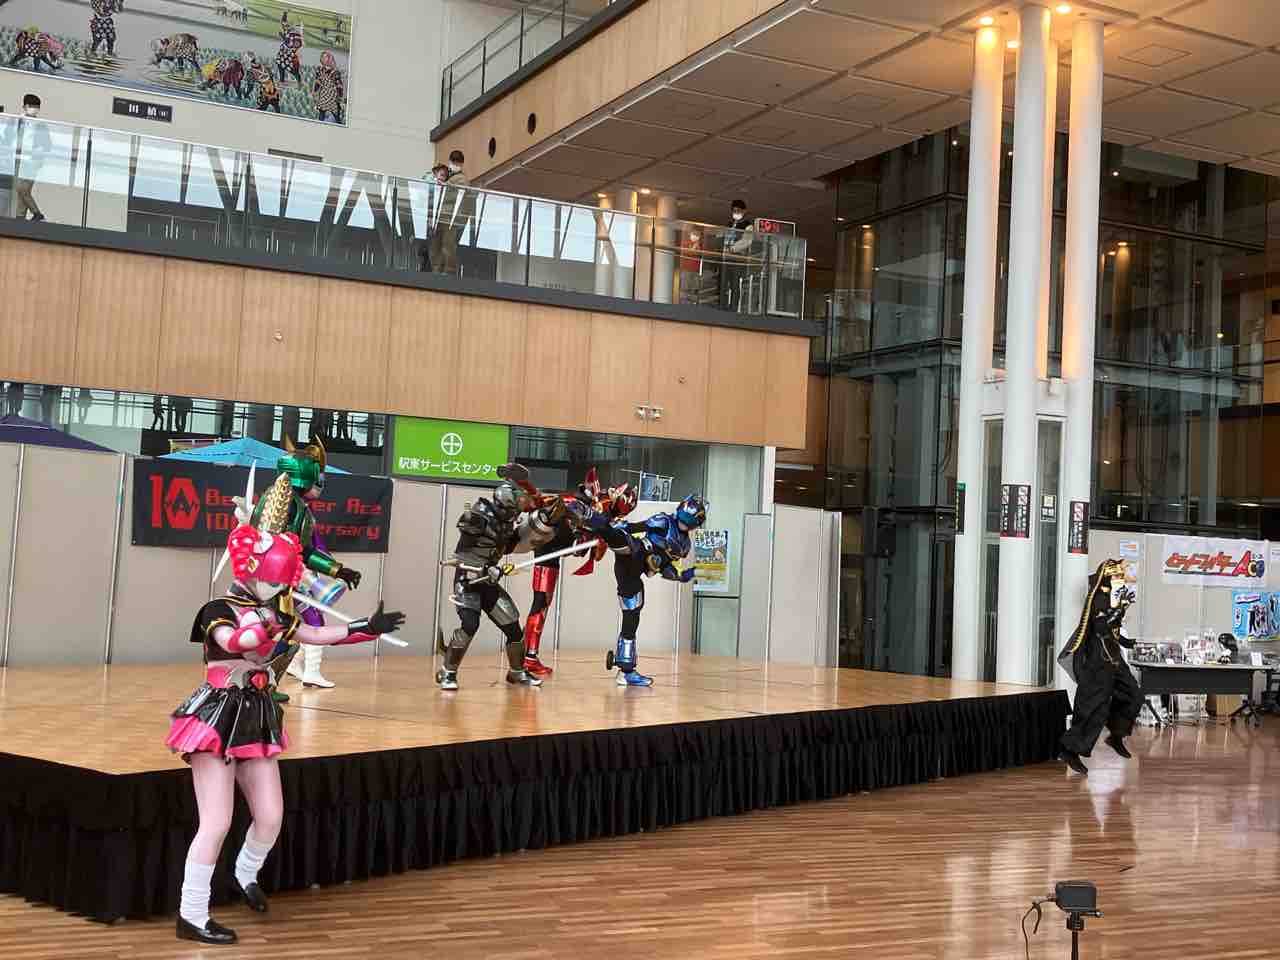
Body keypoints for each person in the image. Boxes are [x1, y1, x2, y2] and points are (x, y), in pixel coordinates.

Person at [166, 501, 405, 945]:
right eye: (274, 580)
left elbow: (317, 634)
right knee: (215, 823)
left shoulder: (273, 610)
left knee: (271, 815)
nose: (278, 587)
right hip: (217, 717)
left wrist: (366, 627)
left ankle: (245, 874)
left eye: (282, 581)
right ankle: (192, 915)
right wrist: (269, 624)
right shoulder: (218, 608)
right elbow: (234, 642)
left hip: (256, 715)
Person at [246, 436, 362, 692]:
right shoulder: (281, 500)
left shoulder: (295, 504)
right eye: (317, 476)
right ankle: (259, 688)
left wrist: (337, 570)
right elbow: (273, 543)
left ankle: (267, 687)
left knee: (288, 634)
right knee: (276, 634)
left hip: (282, 581)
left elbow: (303, 549)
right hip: (270, 583)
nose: (320, 483)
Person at [436, 466, 562, 690]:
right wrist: (484, 568)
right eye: (516, 506)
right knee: (469, 625)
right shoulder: (477, 517)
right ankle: (448, 672)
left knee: (513, 627)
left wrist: (543, 525)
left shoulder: (506, 523)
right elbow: (459, 557)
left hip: (488, 581)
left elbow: (512, 545)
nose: (518, 511)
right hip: (468, 581)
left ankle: (517, 672)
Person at [567, 494, 707, 687]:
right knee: (624, 542)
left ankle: (626, 670)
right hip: (634, 554)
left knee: (632, 615)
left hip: (635, 573)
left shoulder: (685, 545)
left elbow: (665, 567)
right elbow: (634, 528)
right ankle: (586, 514)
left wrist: (682, 575)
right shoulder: (664, 521)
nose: (686, 520)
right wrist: (611, 529)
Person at [519, 469, 638, 679]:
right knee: (541, 602)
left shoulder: (607, 517)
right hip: (549, 546)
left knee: (542, 603)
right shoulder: (587, 501)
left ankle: (528, 655)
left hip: (558, 548)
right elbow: (558, 506)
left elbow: (595, 554)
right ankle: (528, 657)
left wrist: (597, 541)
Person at [1057, 559, 1142, 775]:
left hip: (1113, 657)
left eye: (1120, 576)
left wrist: (1125, 640)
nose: (1120, 579)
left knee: (1133, 694)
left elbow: (1113, 630)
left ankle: (1117, 734)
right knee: (1094, 706)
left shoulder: (1115, 596)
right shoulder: (1098, 598)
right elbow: (1101, 628)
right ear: (1106, 577)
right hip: (1098, 660)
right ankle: (1070, 750)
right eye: (1116, 576)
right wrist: (1117, 611)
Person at [431, 150, 472, 277]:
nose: (455, 165)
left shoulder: (462, 179)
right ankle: (436, 271)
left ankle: (448, 272)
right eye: (454, 162)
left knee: (448, 246)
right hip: (440, 216)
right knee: (436, 245)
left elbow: (461, 191)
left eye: (457, 163)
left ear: (461, 164)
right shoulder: (447, 175)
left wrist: (444, 184)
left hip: (451, 218)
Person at [14, 95, 49, 222]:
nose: (34, 109)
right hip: (18, 159)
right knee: (21, 191)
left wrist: (38, 152)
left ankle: (37, 214)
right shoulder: (17, 121)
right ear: (25, 106)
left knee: (22, 189)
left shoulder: (40, 125)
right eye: (32, 106)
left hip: (33, 161)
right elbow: (8, 136)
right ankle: (20, 219)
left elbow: (47, 144)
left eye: (37, 107)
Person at [720, 199, 755, 312]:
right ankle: (722, 306)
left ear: (744, 211)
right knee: (723, 283)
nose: (735, 212)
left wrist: (732, 249)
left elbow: (747, 241)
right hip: (726, 257)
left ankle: (733, 308)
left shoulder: (748, 225)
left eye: (738, 210)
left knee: (735, 284)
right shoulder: (730, 224)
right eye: (734, 210)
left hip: (737, 258)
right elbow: (724, 237)